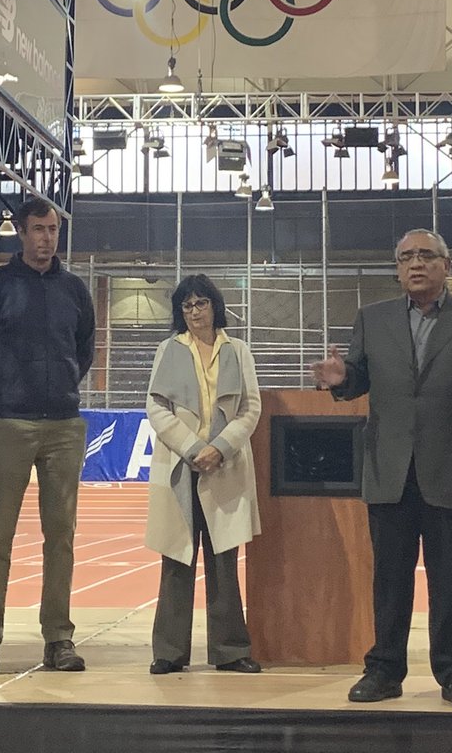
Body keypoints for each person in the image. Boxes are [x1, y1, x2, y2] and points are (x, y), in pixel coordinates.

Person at [313, 229, 452, 709]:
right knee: (389, 580)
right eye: (406, 257)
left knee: (451, 580)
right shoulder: (372, 318)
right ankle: (384, 670)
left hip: (449, 469)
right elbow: (358, 378)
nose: (416, 263)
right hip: (389, 469)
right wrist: (342, 379)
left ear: (446, 266)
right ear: (397, 268)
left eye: (426, 256)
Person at [0, 198, 95, 675]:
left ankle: (58, 639)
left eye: (53, 229)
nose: (47, 238)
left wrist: (60, 390)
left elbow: (83, 350)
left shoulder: (75, 290)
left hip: (64, 426)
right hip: (10, 424)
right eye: (38, 229)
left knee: (61, 538)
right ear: (21, 232)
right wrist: (6, 395)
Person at [145, 273, 262, 675]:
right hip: (181, 466)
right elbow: (156, 407)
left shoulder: (238, 351)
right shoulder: (168, 350)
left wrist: (220, 448)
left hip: (224, 466)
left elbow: (251, 408)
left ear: (215, 306)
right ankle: (168, 652)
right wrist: (194, 449)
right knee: (176, 559)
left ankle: (231, 651)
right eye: (187, 305)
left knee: (224, 561)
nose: (195, 312)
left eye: (201, 303)